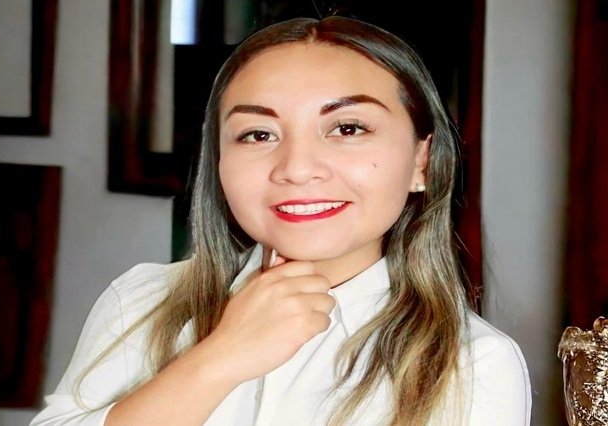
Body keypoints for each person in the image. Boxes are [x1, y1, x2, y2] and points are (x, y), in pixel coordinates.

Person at [30, 16, 531, 426]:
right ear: (219, 160)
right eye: (258, 134)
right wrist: (219, 360)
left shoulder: (473, 363)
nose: (296, 168)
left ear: (421, 161)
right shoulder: (142, 301)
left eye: (347, 128)